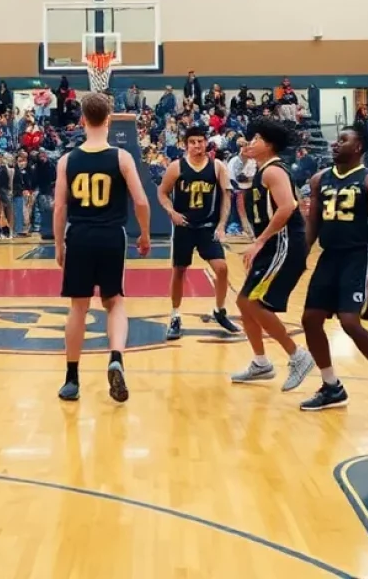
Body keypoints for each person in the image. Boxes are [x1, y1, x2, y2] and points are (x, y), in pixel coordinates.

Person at [301, 127, 368, 426]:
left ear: (359, 146)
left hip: (358, 256)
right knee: (310, 319)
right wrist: (301, 254)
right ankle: (331, 387)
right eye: (336, 140)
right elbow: (313, 222)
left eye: (344, 140)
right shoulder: (319, 179)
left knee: (350, 322)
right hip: (329, 256)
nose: (336, 144)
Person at [54, 92, 151, 404]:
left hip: (79, 236)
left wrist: (58, 245)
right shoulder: (121, 157)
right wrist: (145, 234)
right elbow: (141, 201)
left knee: (78, 308)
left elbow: (59, 208)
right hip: (111, 236)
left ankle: (71, 379)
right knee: (115, 303)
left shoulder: (67, 161)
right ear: (108, 119)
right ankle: (116, 358)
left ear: (82, 120)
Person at [230, 118, 315, 391]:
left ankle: (298, 355)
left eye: (255, 139)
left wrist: (260, 242)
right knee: (244, 302)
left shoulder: (274, 171)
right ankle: (261, 363)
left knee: (254, 303)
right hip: (273, 245)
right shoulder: (262, 170)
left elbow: (288, 206)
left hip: (285, 244)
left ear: (268, 144)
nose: (250, 142)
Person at [158, 125, 239, 338]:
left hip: (207, 227)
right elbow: (162, 193)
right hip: (183, 227)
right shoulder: (176, 167)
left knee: (221, 269)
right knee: (179, 271)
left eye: (200, 141)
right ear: (186, 145)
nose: (197, 145)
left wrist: (222, 225)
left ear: (206, 143)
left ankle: (220, 310)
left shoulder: (217, 167)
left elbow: (227, 197)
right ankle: (175, 315)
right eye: (193, 142)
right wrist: (171, 211)